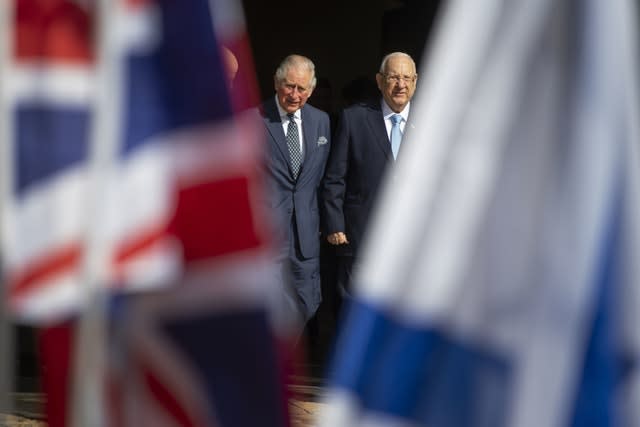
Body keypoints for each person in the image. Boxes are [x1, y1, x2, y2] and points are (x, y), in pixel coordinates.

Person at [322, 51, 418, 297]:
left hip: (414, 239)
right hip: (361, 236)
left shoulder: (431, 121)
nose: (400, 85)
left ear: (415, 81)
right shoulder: (354, 118)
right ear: (379, 80)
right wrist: (335, 224)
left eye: (407, 78)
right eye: (394, 77)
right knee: (356, 309)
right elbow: (335, 177)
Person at [259, 54, 331, 329]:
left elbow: (321, 175)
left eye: (302, 89)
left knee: (308, 301)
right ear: (277, 83)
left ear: (311, 90)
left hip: (306, 230)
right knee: (270, 305)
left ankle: (283, 348)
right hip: (270, 231)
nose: (295, 94)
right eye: (289, 86)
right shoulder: (255, 119)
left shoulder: (321, 121)